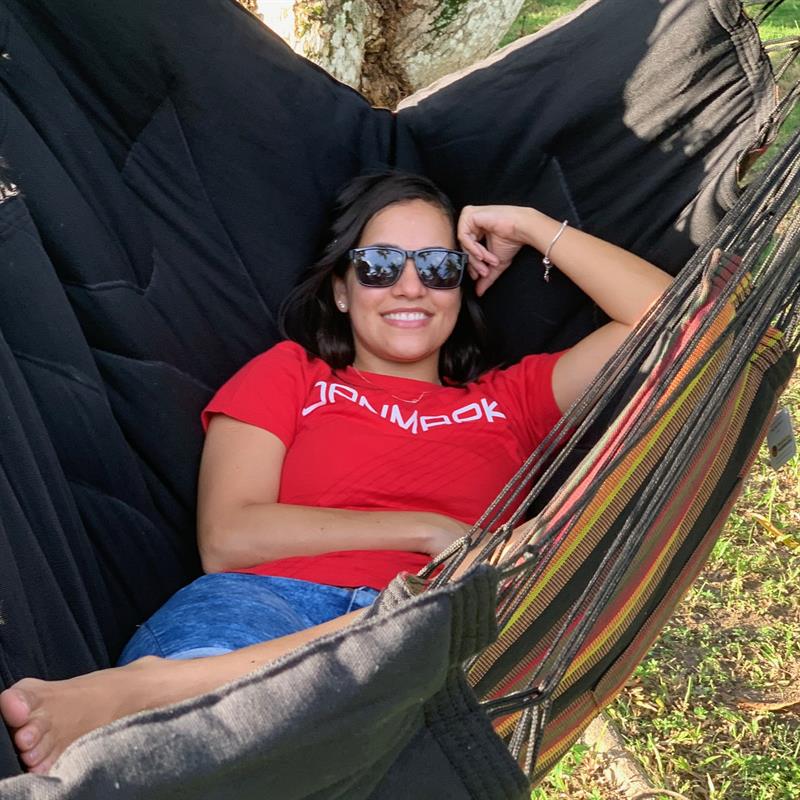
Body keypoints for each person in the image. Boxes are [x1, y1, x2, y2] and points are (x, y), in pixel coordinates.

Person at [0, 171, 672, 774]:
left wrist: (528, 224)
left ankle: (160, 691)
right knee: (195, 759)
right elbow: (227, 537)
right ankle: (188, 694)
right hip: (268, 604)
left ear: (461, 286)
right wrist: (428, 531)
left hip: (434, 627)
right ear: (342, 291)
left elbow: (680, 318)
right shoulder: (290, 374)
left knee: (416, 646)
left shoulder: (514, 400)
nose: (410, 285)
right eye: (379, 265)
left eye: (438, 266)